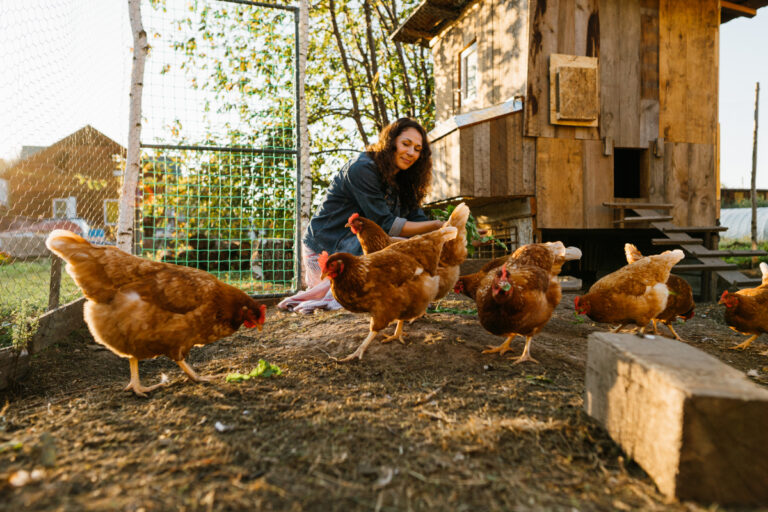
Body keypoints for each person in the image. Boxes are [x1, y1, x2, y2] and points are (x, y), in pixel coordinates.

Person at [278, 118, 443, 313]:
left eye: (417, 149)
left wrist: (445, 232)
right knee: (388, 246)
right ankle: (313, 297)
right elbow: (387, 224)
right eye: (405, 144)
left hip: (359, 251)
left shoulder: (405, 179)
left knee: (407, 245)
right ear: (391, 142)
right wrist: (437, 226)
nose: (411, 152)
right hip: (326, 252)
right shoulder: (362, 168)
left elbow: (417, 218)